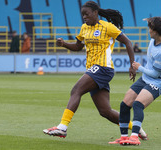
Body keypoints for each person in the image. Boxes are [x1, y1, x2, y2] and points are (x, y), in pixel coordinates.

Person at [43, 1, 146, 139]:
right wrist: (64, 44)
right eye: (82, 15)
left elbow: (128, 42)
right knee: (105, 111)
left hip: (103, 68)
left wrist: (132, 64)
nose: (84, 17)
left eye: (87, 14)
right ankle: (135, 128)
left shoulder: (107, 27)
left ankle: (62, 127)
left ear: (95, 13)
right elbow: (78, 47)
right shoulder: (84, 28)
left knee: (76, 90)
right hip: (94, 70)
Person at [109, 17, 161, 145]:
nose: (148, 31)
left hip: (157, 82)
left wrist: (139, 68)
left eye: (150, 28)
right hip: (146, 78)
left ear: (156, 31)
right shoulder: (157, 37)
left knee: (137, 104)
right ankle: (124, 137)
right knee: (124, 104)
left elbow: (155, 74)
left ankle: (135, 137)